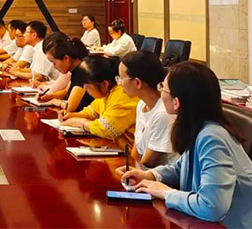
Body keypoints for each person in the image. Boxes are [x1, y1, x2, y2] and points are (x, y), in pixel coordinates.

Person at [120, 62, 252, 228]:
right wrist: (151, 175)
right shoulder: (198, 127)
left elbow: (211, 207)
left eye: (163, 88)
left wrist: (166, 192)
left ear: (176, 102)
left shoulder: (211, 137)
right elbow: (181, 168)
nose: (160, 91)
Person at [117, 51, 177, 168]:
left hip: (159, 176)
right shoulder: (141, 104)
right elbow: (136, 149)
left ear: (137, 82)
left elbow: (149, 163)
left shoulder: (163, 114)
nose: (119, 83)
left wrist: (133, 171)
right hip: (142, 172)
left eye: (121, 78)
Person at [60, 55, 138, 144]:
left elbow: (105, 130)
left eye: (87, 86)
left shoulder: (122, 96)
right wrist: (71, 115)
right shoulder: (106, 93)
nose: (85, 89)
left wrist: (80, 122)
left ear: (105, 84)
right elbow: (91, 112)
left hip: (126, 150)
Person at [42, 33, 93, 112]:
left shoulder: (82, 71)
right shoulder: (76, 69)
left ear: (66, 58)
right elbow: (66, 92)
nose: (54, 66)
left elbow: (70, 107)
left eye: (54, 63)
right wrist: (49, 97)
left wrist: (56, 102)